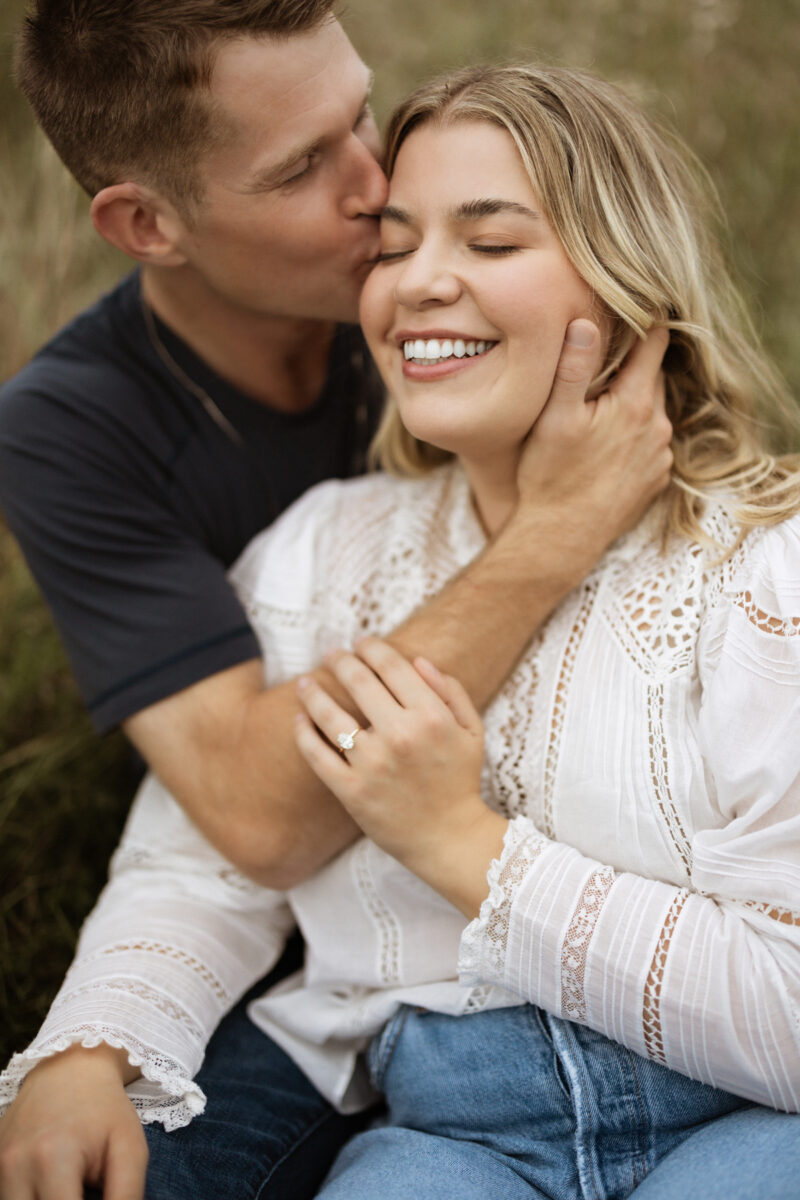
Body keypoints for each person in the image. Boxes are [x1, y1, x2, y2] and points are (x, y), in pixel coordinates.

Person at [3, 60, 800, 1200]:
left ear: (626, 279)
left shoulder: (762, 571)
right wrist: (89, 1050)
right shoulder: (320, 553)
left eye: (489, 243)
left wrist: (456, 842)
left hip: (741, 1118)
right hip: (448, 1135)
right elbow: (196, 872)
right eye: (392, 244)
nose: (419, 281)